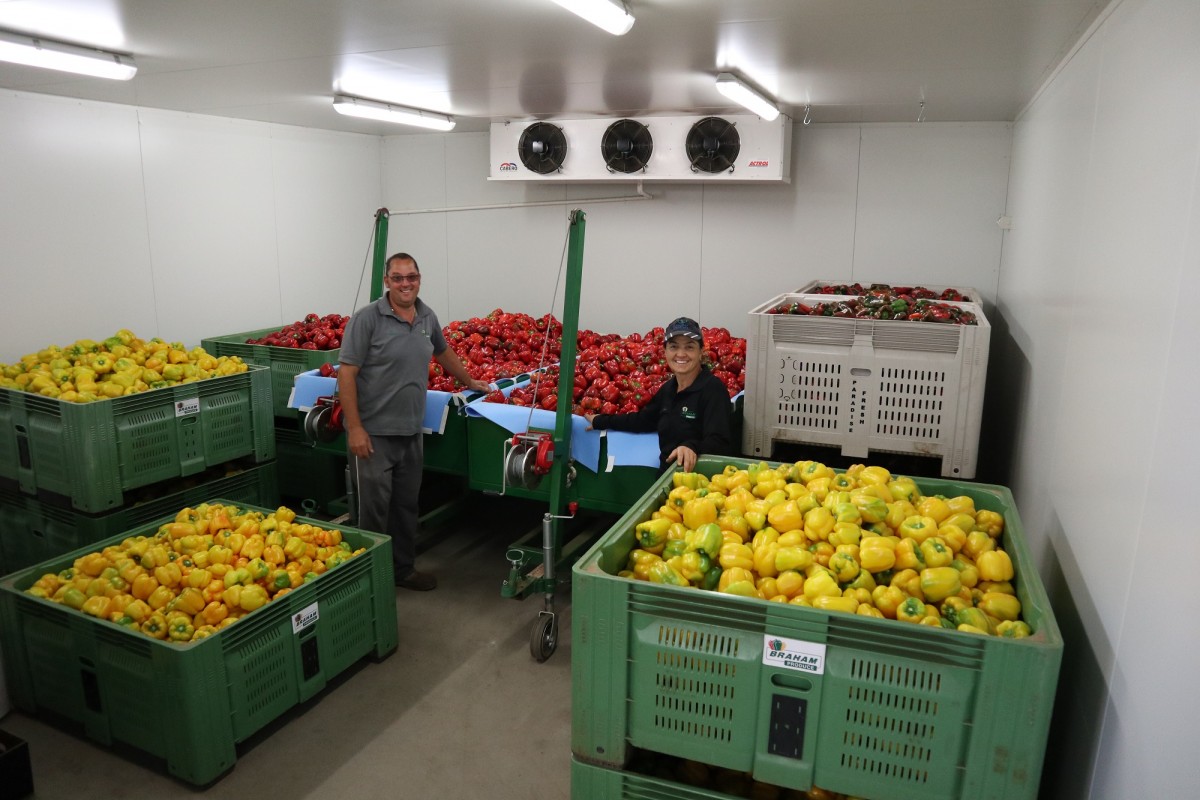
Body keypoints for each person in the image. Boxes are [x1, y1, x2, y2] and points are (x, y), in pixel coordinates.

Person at [338, 253, 490, 590]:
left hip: (411, 431)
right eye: (397, 277)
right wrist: (356, 428)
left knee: (406, 506)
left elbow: (442, 351)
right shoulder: (367, 320)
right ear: (386, 281)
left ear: (419, 278)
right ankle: (373, 583)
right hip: (374, 434)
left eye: (411, 277)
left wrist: (469, 380)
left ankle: (403, 570)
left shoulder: (426, 316)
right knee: (374, 513)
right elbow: (346, 374)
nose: (405, 283)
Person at [585, 317, 731, 473]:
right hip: (668, 477)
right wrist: (601, 420)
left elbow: (720, 441)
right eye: (674, 347)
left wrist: (692, 446)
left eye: (689, 347)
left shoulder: (713, 389)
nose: (681, 354)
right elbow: (642, 420)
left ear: (701, 352)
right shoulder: (668, 389)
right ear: (665, 351)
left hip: (700, 483)